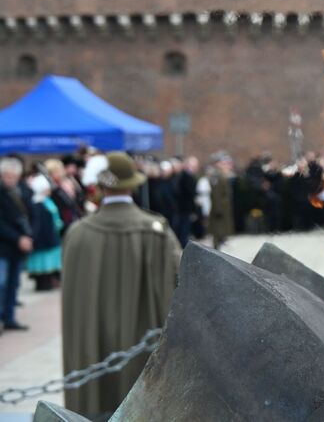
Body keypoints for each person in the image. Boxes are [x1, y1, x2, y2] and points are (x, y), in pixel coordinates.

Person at [61, 152, 182, 418]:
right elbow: (181, 278)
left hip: (92, 347)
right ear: (132, 184)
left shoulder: (77, 234)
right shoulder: (156, 231)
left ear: (101, 187)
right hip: (141, 347)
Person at [0, 157, 34, 333]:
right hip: (4, 246)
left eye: (13, 177)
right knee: (1, 283)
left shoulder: (23, 191)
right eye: (7, 176)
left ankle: (9, 317)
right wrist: (18, 238)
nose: (10, 180)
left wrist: (28, 236)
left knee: (14, 284)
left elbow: (31, 214)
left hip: (19, 246)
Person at [28, 174, 64, 291]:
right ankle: (42, 283)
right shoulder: (36, 203)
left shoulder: (47, 201)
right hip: (43, 238)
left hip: (51, 234)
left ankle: (49, 281)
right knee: (41, 262)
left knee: (49, 261)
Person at [208, 152, 235, 249]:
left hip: (223, 206)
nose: (226, 166)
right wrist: (218, 208)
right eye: (224, 163)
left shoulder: (221, 174)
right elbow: (216, 194)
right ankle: (216, 247)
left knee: (222, 227)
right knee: (217, 228)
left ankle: (220, 243)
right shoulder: (217, 175)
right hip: (219, 206)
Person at [175, 156, 200, 248]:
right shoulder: (186, 177)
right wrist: (193, 209)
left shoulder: (185, 176)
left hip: (183, 208)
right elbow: (189, 195)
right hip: (185, 208)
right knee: (184, 229)